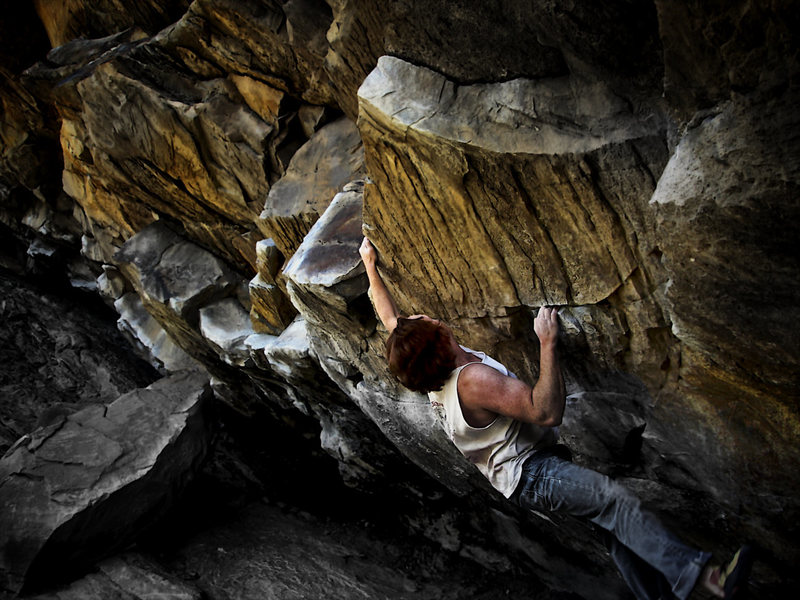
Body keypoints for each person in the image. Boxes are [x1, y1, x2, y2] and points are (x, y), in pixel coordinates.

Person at [359, 236, 753, 600]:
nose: (424, 315)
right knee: (613, 501)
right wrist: (546, 343)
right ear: (437, 339)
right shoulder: (472, 381)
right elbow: (545, 412)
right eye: (424, 321)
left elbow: (390, 318)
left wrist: (370, 266)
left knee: (616, 530)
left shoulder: (425, 371)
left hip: (521, 476)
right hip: (531, 472)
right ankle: (708, 579)